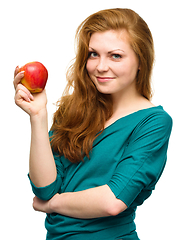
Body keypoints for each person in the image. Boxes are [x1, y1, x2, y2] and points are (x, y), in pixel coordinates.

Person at [14, 8, 172, 240]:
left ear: (141, 61)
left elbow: (113, 201)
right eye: (93, 54)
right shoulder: (72, 109)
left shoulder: (153, 122)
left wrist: (52, 204)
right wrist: (38, 116)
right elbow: (44, 188)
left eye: (115, 56)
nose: (100, 66)